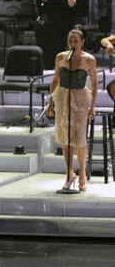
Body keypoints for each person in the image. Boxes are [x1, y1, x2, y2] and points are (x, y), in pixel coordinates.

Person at [46, 25, 98, 192]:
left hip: (80, 98)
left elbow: (95, 83)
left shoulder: (89, 59)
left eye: (76, 41)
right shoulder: (61, 57)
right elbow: (55, 80)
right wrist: (50, 102)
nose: (72, 44)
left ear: (82, 42)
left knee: (79, 137)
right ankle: (69, 174)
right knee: (66, 138)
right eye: (70, 41)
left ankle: (82, 173)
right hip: (63, 97)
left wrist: (92, 106)